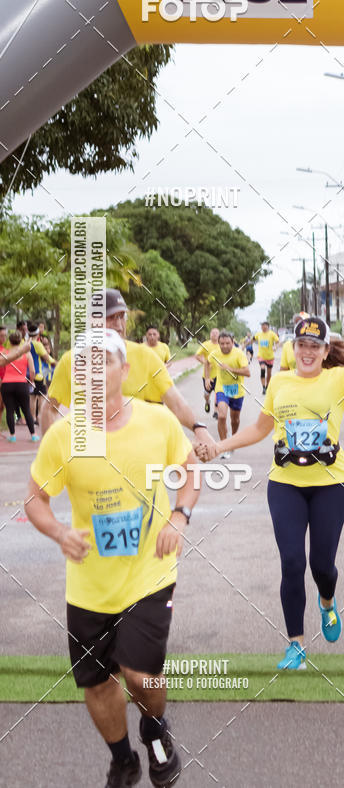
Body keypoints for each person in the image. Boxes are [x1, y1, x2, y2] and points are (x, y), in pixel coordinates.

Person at [26, 329, 199, 787]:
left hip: (149, 573)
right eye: (83, 365)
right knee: (99, 684)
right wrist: (60, 532)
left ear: (124, 370)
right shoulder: (63, 437)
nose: (94, 372)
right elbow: (35, 500)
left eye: (104, 362)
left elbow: (189, 472)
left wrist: (179, 516)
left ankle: (155, 727)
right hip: (88, 585)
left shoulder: (157, 423)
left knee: (141, 676)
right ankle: (123, 759)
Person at [198, 303, 344, 670]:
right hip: (285, 484)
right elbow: (259, 429)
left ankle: (327, 601)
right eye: (301, 344)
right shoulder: (280, 381)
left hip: (331, 484)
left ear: (324, 352)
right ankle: (296, 645)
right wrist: (218, 445)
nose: (307, 351)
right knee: (292, 562)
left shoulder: (339, 380)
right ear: (294, 348)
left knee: (322, 565)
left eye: (314, 346)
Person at [41, 289, 215, 456]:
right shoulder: (71, 360)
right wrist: (50, 450)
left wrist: (199, 429)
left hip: (138, 457)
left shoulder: (146, 356)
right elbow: (50, 408)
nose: (118, 325)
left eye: (121, 316)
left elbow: (175, 402)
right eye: (110, 317)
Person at [205, 331, 250, 460]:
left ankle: (233, 441)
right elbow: (207, 363)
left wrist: (230, 369)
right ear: (218, 343)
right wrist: (207, 378)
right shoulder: (215, 354)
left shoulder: (239, 354)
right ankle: (223, 446)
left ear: (233, 342)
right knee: (222, 416)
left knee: (234, 420)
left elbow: (247, 372)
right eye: (222, 343)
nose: (224, 346)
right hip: (222, 389)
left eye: (227, 343)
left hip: (237, 390)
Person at [0, 331, 39, 443]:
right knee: (26, 409)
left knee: (10, 411)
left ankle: (12, 435)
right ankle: (33, 435)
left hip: (7, 384)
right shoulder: (27, 354)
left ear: (10, 341)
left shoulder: (4, 352)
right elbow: (32, 371)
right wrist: (31, 381)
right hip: (21, 384)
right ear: (21, 340)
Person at [27, 321, 55, 425]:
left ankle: (33, 417)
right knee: (42, 396)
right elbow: (47, 358)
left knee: (32, 397)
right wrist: (57, 363)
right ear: (38, 333)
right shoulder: (37, 344)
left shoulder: (26, 343)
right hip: (37, 373)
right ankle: (39, 417)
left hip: (27, 374)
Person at [196, 327, 220, 418]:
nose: (214, 334)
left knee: (218, 393)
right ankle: (207, 401)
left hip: (219, 375)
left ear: (219, 335)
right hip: (207, 375)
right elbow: (197, 356)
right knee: (207, 393)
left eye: (216, 333)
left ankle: (216, 411)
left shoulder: (221, 345)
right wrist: (205, 363)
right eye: (212, 333)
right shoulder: (205, 344)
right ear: (210, 334)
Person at [254, 321, 279, 394]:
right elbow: (252, 339)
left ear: (268, 326)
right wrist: (244, 344)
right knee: (262, 369)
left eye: (264, 326)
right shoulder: (258, 334)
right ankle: (263, 387)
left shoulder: (272, 334)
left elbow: (277, 342)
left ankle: (267, 386)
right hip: (261, 356)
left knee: (269, 374)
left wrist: (275, 347)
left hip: (270, 357)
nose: (263, 327)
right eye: (262, 326)